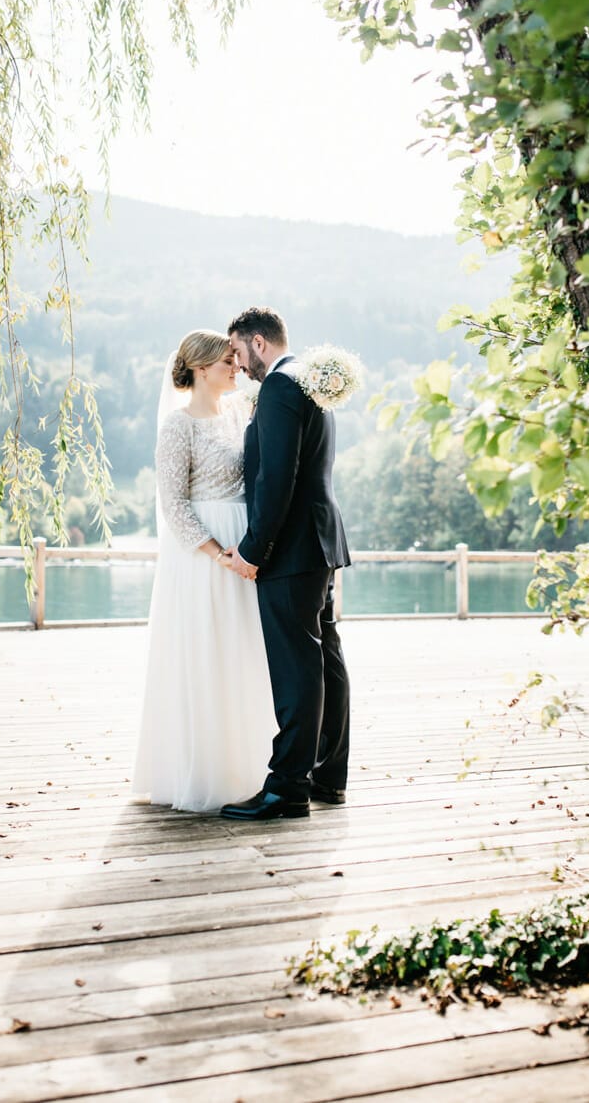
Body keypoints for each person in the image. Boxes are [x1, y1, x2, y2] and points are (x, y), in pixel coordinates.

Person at [132, 329, 276, 812]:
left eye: (236, 360)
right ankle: (205, 771)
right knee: (205, 654)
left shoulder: (239, 410)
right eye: (227, 362)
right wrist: (220, 555)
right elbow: (173, 506)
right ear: (200, 368)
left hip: (247, 547)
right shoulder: (178, 426)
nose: (236, 367)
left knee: (244, 654)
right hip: (204, 558)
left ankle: (252, 767)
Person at [221, 307, 351, 822]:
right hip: (318, 544)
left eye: (236, 350)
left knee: (297, 667)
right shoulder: (310, 383)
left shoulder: (279, 388)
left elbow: (277, 479)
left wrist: (253, 549)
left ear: (258, 342)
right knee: (325, 661)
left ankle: (287, 789)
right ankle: (326, 776)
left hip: (291, 551)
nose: (237, 362)